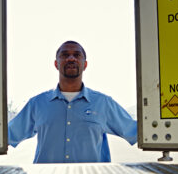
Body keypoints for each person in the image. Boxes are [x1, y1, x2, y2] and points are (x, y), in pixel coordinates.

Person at [8, 41, 137, 163]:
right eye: (65, 55)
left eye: (76, 55)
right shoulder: (37, 104)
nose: (71, 58)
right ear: (56, 64)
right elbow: (9, 134)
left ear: (85, 65)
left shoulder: (103, 103)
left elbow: (135, 131)